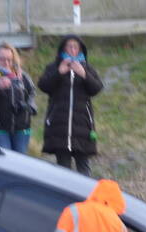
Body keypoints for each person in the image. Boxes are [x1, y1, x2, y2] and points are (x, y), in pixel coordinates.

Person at [38, 34, 102, 177]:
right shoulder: (53, 66)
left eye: (75, 47)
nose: (72, 50)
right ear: (63, 48)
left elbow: (97, 88)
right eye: (69, 46)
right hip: (59, 125)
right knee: (63, 168)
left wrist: (84, 74)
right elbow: (43, 86)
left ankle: (85, 197)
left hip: (82, 125)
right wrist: (59, 72)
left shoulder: (87, 68)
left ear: (80, 50)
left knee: (83, 166)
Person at [0, 43, 36, 154]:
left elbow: (32, 94)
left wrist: (29, 107)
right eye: (2, 59)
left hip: (22, 129)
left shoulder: (23, 76)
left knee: (20, 163)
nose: (6, 63)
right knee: (4, 162)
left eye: (9, 59)